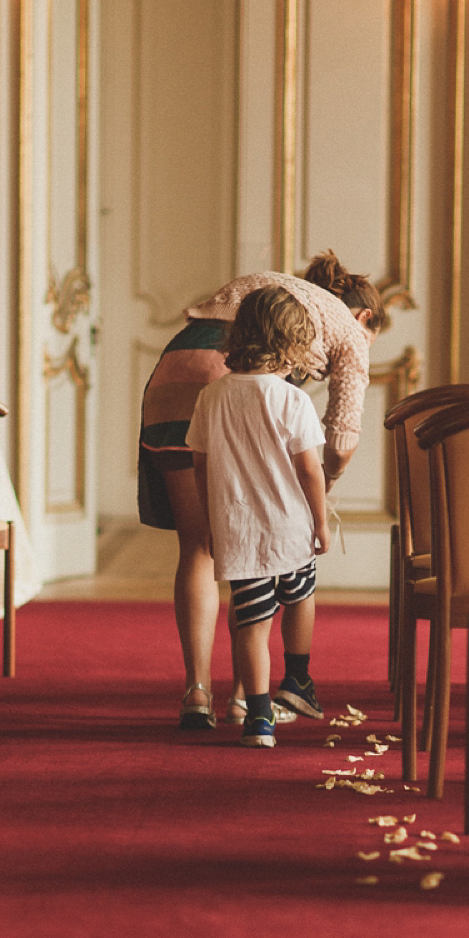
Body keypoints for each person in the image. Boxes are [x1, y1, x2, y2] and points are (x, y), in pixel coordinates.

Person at [139, 251, 388, 729]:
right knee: (253, 559)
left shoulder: (278, 293)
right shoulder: (348, 332)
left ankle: (196, 692)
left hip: (171, 374)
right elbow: (341, 440)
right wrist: (322, 490)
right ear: (366, 317)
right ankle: (241, 698)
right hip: (222, 373)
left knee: (197, 548)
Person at [186, 285, 331, 748]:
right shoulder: (293, 401)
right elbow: (309, 469)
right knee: (299, 595)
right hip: (290, 526)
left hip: (238, 526)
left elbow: (201, 464)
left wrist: (209, 520)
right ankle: (299, 678)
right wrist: (322, 521)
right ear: (290, 347)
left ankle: (259, 718)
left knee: (251, 619)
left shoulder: (212, 397)